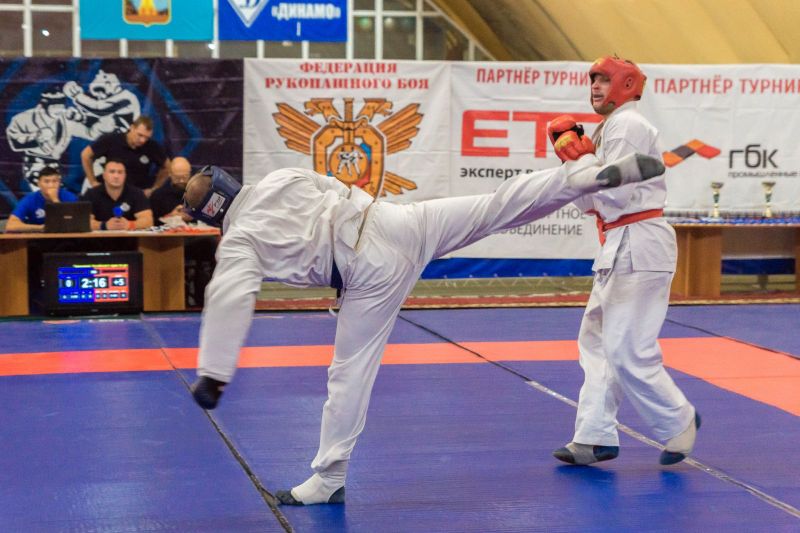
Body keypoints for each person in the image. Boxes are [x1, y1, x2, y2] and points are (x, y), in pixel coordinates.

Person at [184, 151, 665, 506]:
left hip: (365, 273)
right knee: (496, 206)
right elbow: (335, 187)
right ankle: (581, 178)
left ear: (211, 215)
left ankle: (328, 479)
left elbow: (229, 295)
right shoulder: (280, 178)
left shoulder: (240, 239)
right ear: (229, 180)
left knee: (349, 373)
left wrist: (214, 374)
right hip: (394, 221)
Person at [548, 56, 699, 468]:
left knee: (626, 347)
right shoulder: (606, 129)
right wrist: (574, 161)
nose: (595, 87)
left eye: (603, 80)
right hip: (618, 242)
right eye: (592, 80)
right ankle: (594, 436)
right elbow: (587, 203)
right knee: (596, 342)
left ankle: (679, 420)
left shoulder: (628, 125)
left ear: (627, 85)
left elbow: (613, 195)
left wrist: (584, 164)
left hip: (639, 241)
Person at [80, 116, 169, 196]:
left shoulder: (151, 146)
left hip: (137, 195)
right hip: (111, 193)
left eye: (147, 137)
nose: (143, 140)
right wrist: (93, 182)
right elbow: (86, 155)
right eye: (140, 135)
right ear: (132, 128)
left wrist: (155, 188)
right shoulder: (112, 140)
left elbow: (168, 166)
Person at [82, 158, 153, 231]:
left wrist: (130, 224)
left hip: (129, 237)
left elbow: (148, 221)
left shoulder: (137, 193)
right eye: (112, 172)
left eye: (120, 172)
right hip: (98, 238)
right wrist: (104, 225)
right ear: (104, 175)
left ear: (125, 176)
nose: (116, 176)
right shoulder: (91, 194)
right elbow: (83, 222)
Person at [5, 167, 78, 232]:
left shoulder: (69, 197)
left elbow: (74, 222)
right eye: (46, 181)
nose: (51, 185)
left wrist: (55, 199)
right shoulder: (30, 199)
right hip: (38, 238)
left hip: (66, 237)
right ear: (39, 184)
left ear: (59, 183)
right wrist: (41, 228)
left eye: (55, 181)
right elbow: (10, 226)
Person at [150, 156, 194, 225]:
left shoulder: (201, 193)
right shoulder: (158, 196)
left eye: (185, 177)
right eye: (177, 178)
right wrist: (171, 217)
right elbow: (151, 222)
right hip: (168, 230)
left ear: (190, 174)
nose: (181, 181)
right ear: (170, 174)